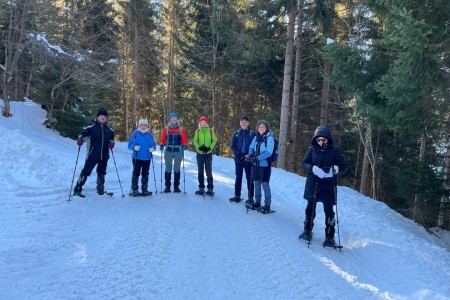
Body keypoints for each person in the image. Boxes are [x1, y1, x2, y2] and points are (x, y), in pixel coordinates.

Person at [299, 126, 346, 247]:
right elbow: (304, 163)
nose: (320, 142)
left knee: (329, 212)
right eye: (318, 139)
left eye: (323, 140)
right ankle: (307, 230)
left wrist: (335, 169)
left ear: (328, 139)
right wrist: (313, 168)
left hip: (328, 185)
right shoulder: (312, 150)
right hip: (313, 183)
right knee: (310, 208)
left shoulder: (335, 151)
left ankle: (330, 236)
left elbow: (343, 166)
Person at [73, 108, 115, 197]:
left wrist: (111, 143)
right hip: (92, 154)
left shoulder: (109, 129)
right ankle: (77, 189)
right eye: (101, 116)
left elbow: (111, 139)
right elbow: (83, 134)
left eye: (105, 116)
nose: (103, 117)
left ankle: (100, 189)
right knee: (86, 172)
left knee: (102, 172)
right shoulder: (91, 126)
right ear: (98, 116)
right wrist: (80, 139)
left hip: (104, 155)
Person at [245, 121, 274, 213]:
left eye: (263, 127)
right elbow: (251, 147)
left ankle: (267, 205)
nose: (261, 128)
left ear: (266, 128)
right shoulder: (256, 137)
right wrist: (250, 156)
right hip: (256, 165)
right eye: (260, 127)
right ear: (257, 128)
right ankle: (257, 202)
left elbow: (269, 152)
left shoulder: (269, 138)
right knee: (257, 183)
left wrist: (256, 158)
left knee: (265, 185)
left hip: (265, 165)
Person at [229, 115, 256, 203]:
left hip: (249, 159)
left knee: (250, 178)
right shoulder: (236, 133)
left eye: (245, 122)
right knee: (238, 177)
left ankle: (250, 197)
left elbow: (255, 147)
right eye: (242, 122)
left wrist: (249, 155)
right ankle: (237, 196)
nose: (243, 124)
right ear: (240, 123)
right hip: (238, 159)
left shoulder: (253, 133)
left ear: (248, 123)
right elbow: (233, 146)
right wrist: (239, 155)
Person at [127, 119, 157, 196]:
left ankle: (144, 189)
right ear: (139, 125)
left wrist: (153, 148)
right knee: (136, 173)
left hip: (147, 157)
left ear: (147, 125)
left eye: (145, 125)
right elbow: (129, 145)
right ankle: (135, 190)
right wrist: (134, 147)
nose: (143, 126)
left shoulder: (150, 134)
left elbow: (153, 144)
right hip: (137, 157)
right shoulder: (135, 133)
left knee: (145, 173)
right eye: (141, 125)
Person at [160, 113, 187, 193]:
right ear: (170, 119)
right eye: (172, 118)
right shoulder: (166, 129)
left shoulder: (181, 129)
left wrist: (184, 145)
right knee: (168, 168)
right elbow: (163, 138)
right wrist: (161, 144)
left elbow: (184, 139)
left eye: (175, 118)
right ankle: (167, 187)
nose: (174, 119)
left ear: (177, 119)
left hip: (178, 151)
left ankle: (176, 187)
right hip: (168, 150)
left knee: (177, 169)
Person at [193, 116, 217, 196]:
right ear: (200, 123)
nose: (203, 124)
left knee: (208, 171)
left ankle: (210, 188)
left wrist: (210, 147)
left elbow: (214, 140)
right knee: (200, 170)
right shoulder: (198, 131)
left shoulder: (210, 130)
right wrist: (199, 147)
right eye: (201, 122)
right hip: (200, 153)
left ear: (206, 123)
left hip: (208, 153)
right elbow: (195, 141)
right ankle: (201, 188)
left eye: (204, 122)